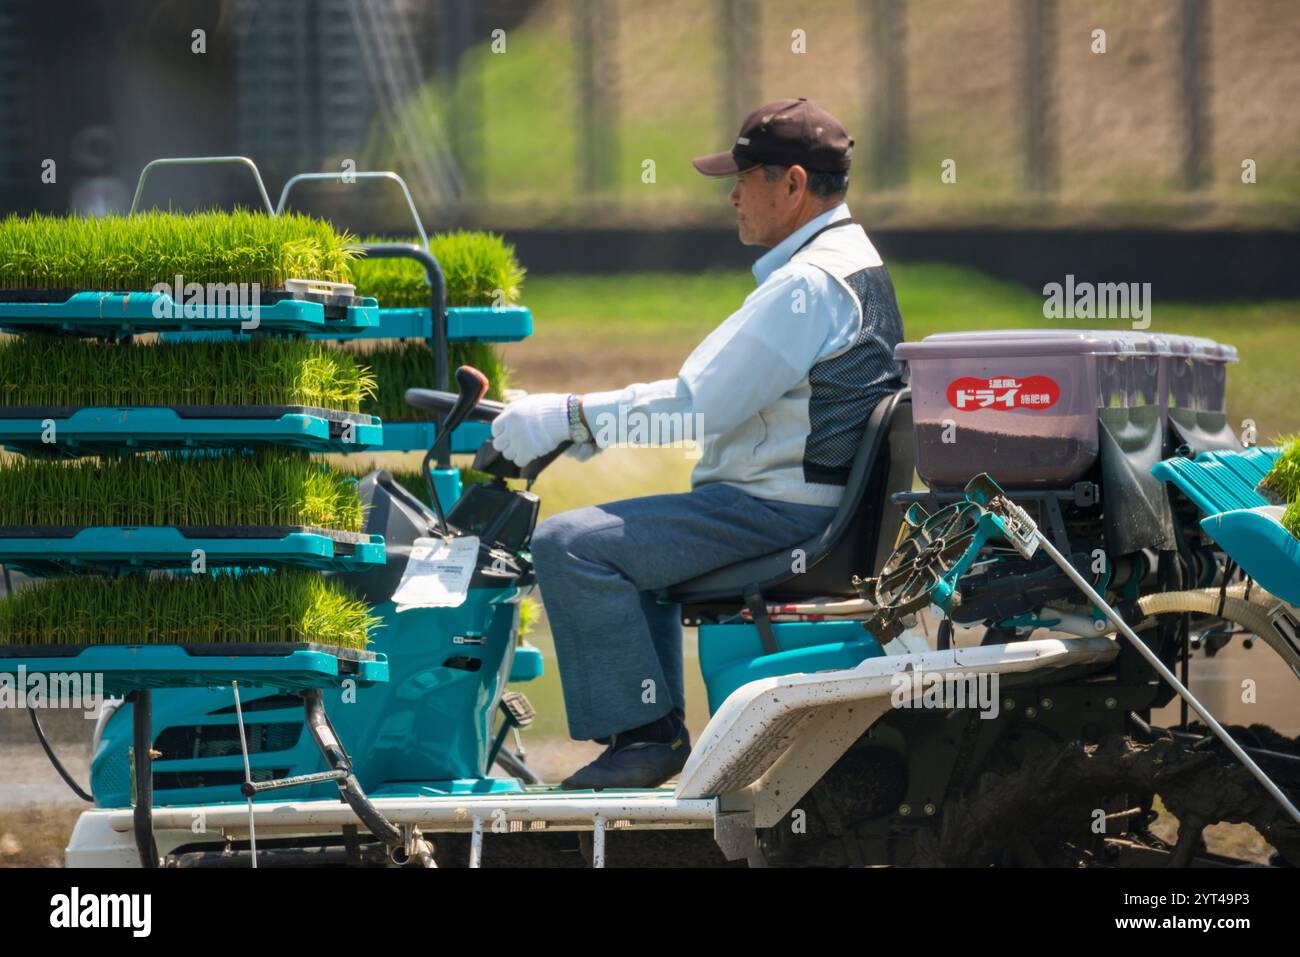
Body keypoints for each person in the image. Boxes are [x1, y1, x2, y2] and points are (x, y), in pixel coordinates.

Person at [490, 97, 906, 790]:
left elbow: (695, 408)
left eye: (745, 177)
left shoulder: (806, 285)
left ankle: (646, 738)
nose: (733, 195)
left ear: (795, 185)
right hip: (809, 507)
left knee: (571, 544)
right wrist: (574, 424)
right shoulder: (850, 261)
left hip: (781, 512)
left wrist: (565, 417)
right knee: (615, 541)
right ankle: (647, 736)